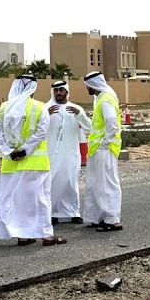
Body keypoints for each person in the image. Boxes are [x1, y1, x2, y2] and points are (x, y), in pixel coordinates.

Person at [0, 76, 64, 246]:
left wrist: (9, 151)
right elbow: (41, 133)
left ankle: (23, 236)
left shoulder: (4, 108)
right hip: (35, 163)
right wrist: (25, 150)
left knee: (18, 200)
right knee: (41, 199)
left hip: (11, 163)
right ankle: (47, 235)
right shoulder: (39, 107)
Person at [82, 71, 123, 231]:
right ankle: (98, 217)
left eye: (88, 86)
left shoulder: (105, 100)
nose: (87, 89)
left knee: (107, 184)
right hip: (97, 149)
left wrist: (104, 145)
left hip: (104, 150)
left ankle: (112, 220)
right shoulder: (101, 98)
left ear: (94, 85)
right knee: (96, 183)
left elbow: (112, 125)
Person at [45, 80, 90, 224]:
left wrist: (79, 116)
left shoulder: (76, 108)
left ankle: (73, 212)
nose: (59, 93)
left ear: (66, 91)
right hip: (52, 152)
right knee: (53, 181)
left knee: (71, 181)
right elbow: (35, 128)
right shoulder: (46, 108)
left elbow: (90, 128)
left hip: (71, 152)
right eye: (56, 90)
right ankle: (52, 213)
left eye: (61, 90)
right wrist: (45, 115)